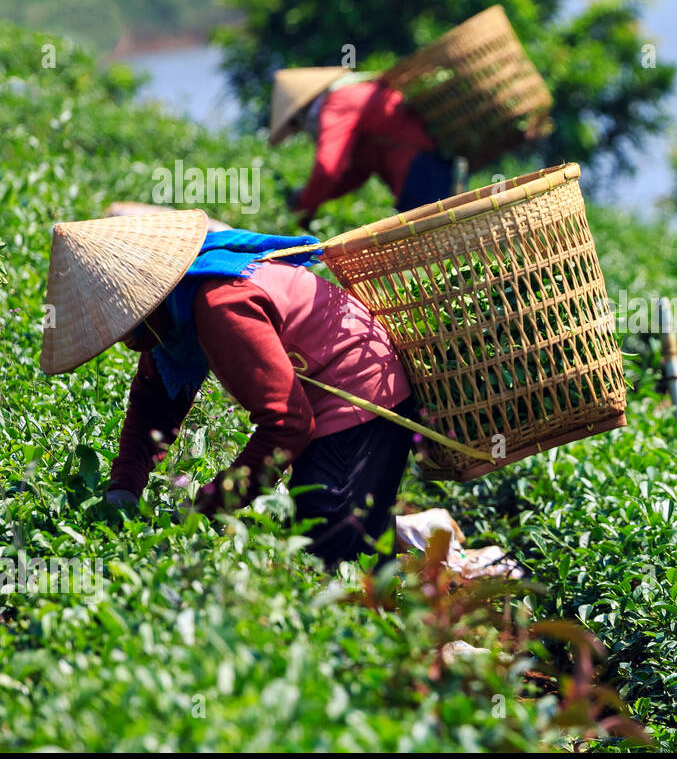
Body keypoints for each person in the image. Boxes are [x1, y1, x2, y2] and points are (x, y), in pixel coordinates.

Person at [38, 210, 473, 567]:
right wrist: (122, 490)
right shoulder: (176, 311)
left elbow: (288, 424)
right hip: (331, 402)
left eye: (123, 328)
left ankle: (446, 588)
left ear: (145, 305)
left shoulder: (220, 305)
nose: (125, 341)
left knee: (334, 562)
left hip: (361, 394)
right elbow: (153, 407)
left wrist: (209, 505)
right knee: (321, 534)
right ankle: (414, 535)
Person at [268, 67, 456, 228]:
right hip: (426, 166)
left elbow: (327, 168)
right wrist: (310, 195)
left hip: (418, 170)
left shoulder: (339, 101)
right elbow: (356, 173)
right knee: (435, 236)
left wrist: (305, 207)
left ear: (303, 109)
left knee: (429, 240)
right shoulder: (354, 92)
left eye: (295, 124)